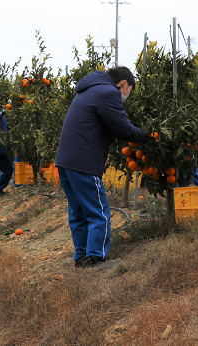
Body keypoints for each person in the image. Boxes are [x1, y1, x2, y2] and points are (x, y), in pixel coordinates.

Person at [55, 66, 146, 269]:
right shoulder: (108, 93)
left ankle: (81, 257)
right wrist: (145, 136)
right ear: (124, 84)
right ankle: (96, 258)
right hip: (83, 162)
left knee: (78, 210)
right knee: (99, 211)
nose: (126, 96)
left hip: (66, 161)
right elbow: (122, 128)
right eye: (129, 91)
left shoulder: (88, 90)